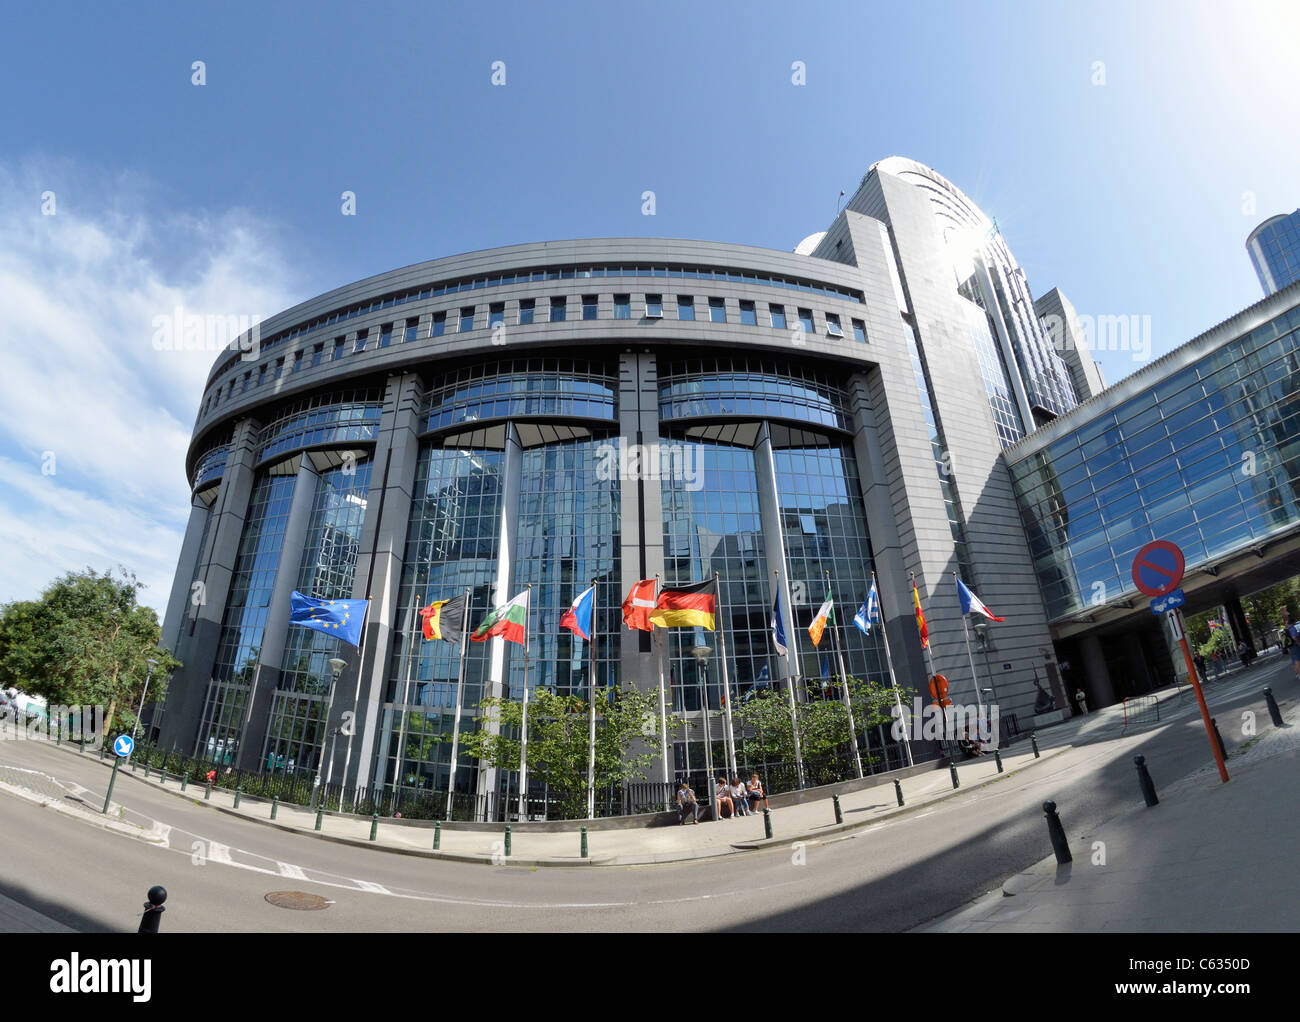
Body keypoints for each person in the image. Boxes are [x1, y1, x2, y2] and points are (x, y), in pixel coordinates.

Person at [1284, 612, 1300, 680]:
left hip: (1290, 646)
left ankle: (1297, 673)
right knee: (1298, 660)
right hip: (1294, 645)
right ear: (1293, 622)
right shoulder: (1292, 628)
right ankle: (1299, 674)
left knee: (1293, 660)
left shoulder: (1287, 629)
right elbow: (1294, 637)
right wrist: (1298, 642)